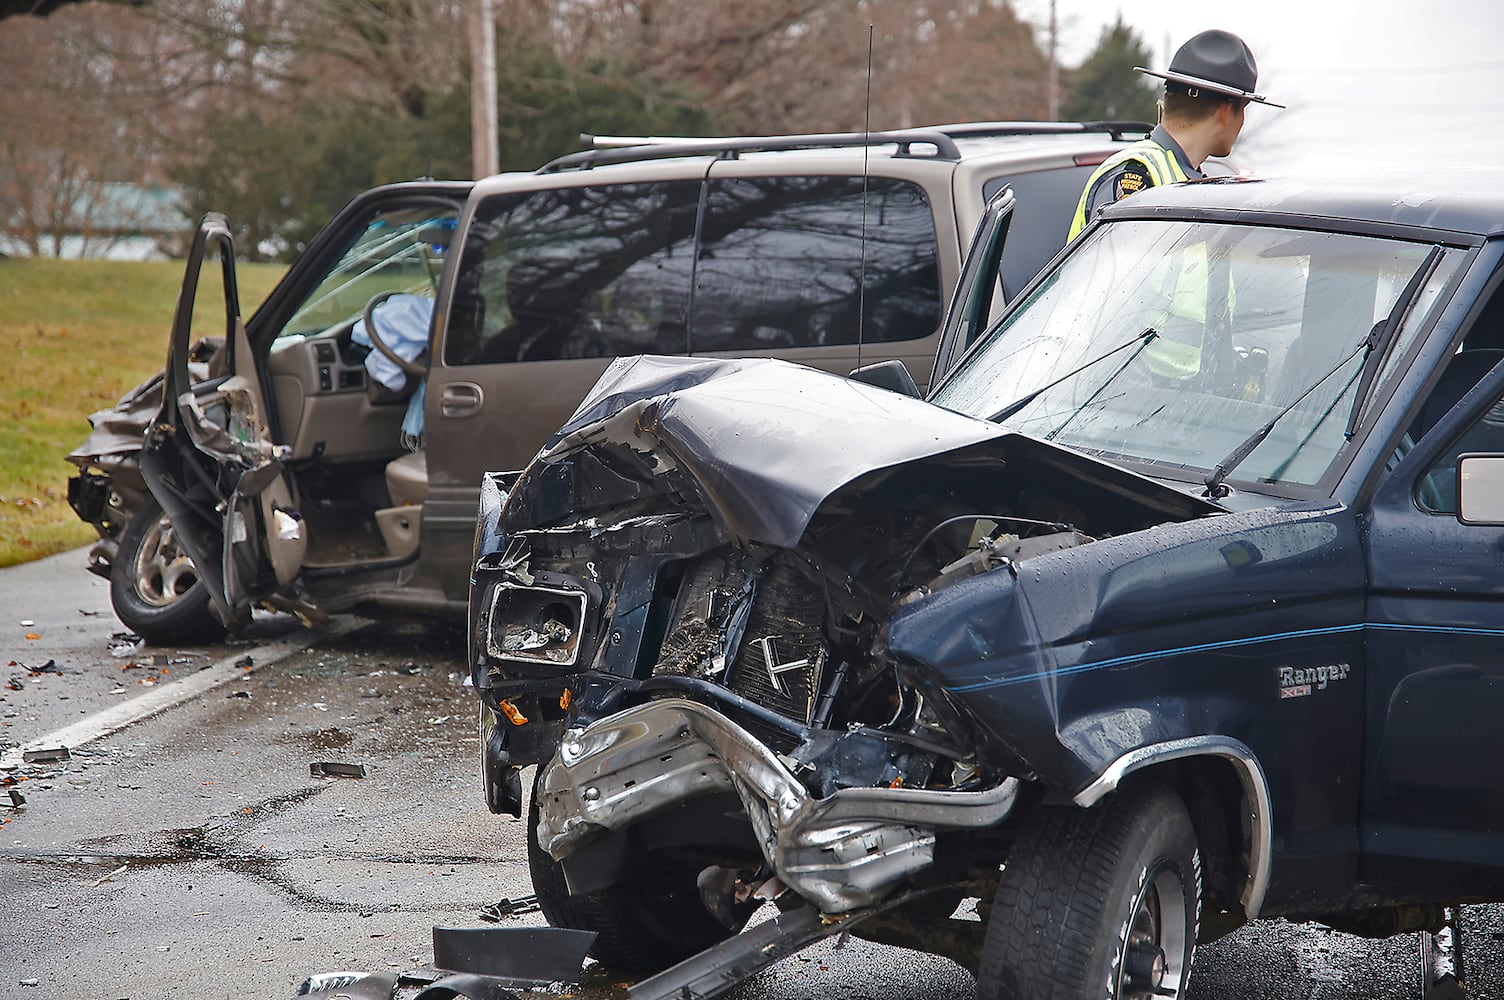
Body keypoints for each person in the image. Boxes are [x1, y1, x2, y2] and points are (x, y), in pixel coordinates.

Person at [1067, 28, 1283, 241]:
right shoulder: (1138, 175)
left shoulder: (1176, 176)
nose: (1243, 121)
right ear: (1226, 112)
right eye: (1243, 108)